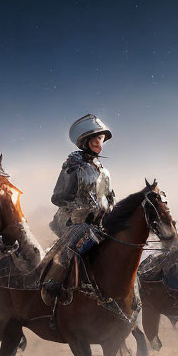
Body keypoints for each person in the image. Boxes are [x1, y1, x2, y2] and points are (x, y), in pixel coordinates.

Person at [42, 114, 117, 305]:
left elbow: (110, 197)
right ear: (85, 142)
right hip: (75, 222)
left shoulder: (104, 171)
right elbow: (57, 197)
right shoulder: (73, 167)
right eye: (94, 139)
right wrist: (81, 207)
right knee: (75, 245)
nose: (98, 143)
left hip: (101, 222)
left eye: (100, 139)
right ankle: (52, 284)